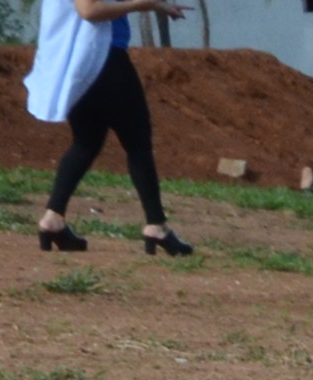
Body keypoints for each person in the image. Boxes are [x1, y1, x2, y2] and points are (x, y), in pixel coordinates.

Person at [24, 0, 193, 257]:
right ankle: (156, 226)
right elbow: (89, 10)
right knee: (137, 143)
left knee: (86, 142)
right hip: (103, 60)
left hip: (82, 65)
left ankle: (53, 219)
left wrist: (159, 5)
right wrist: (145, 4)